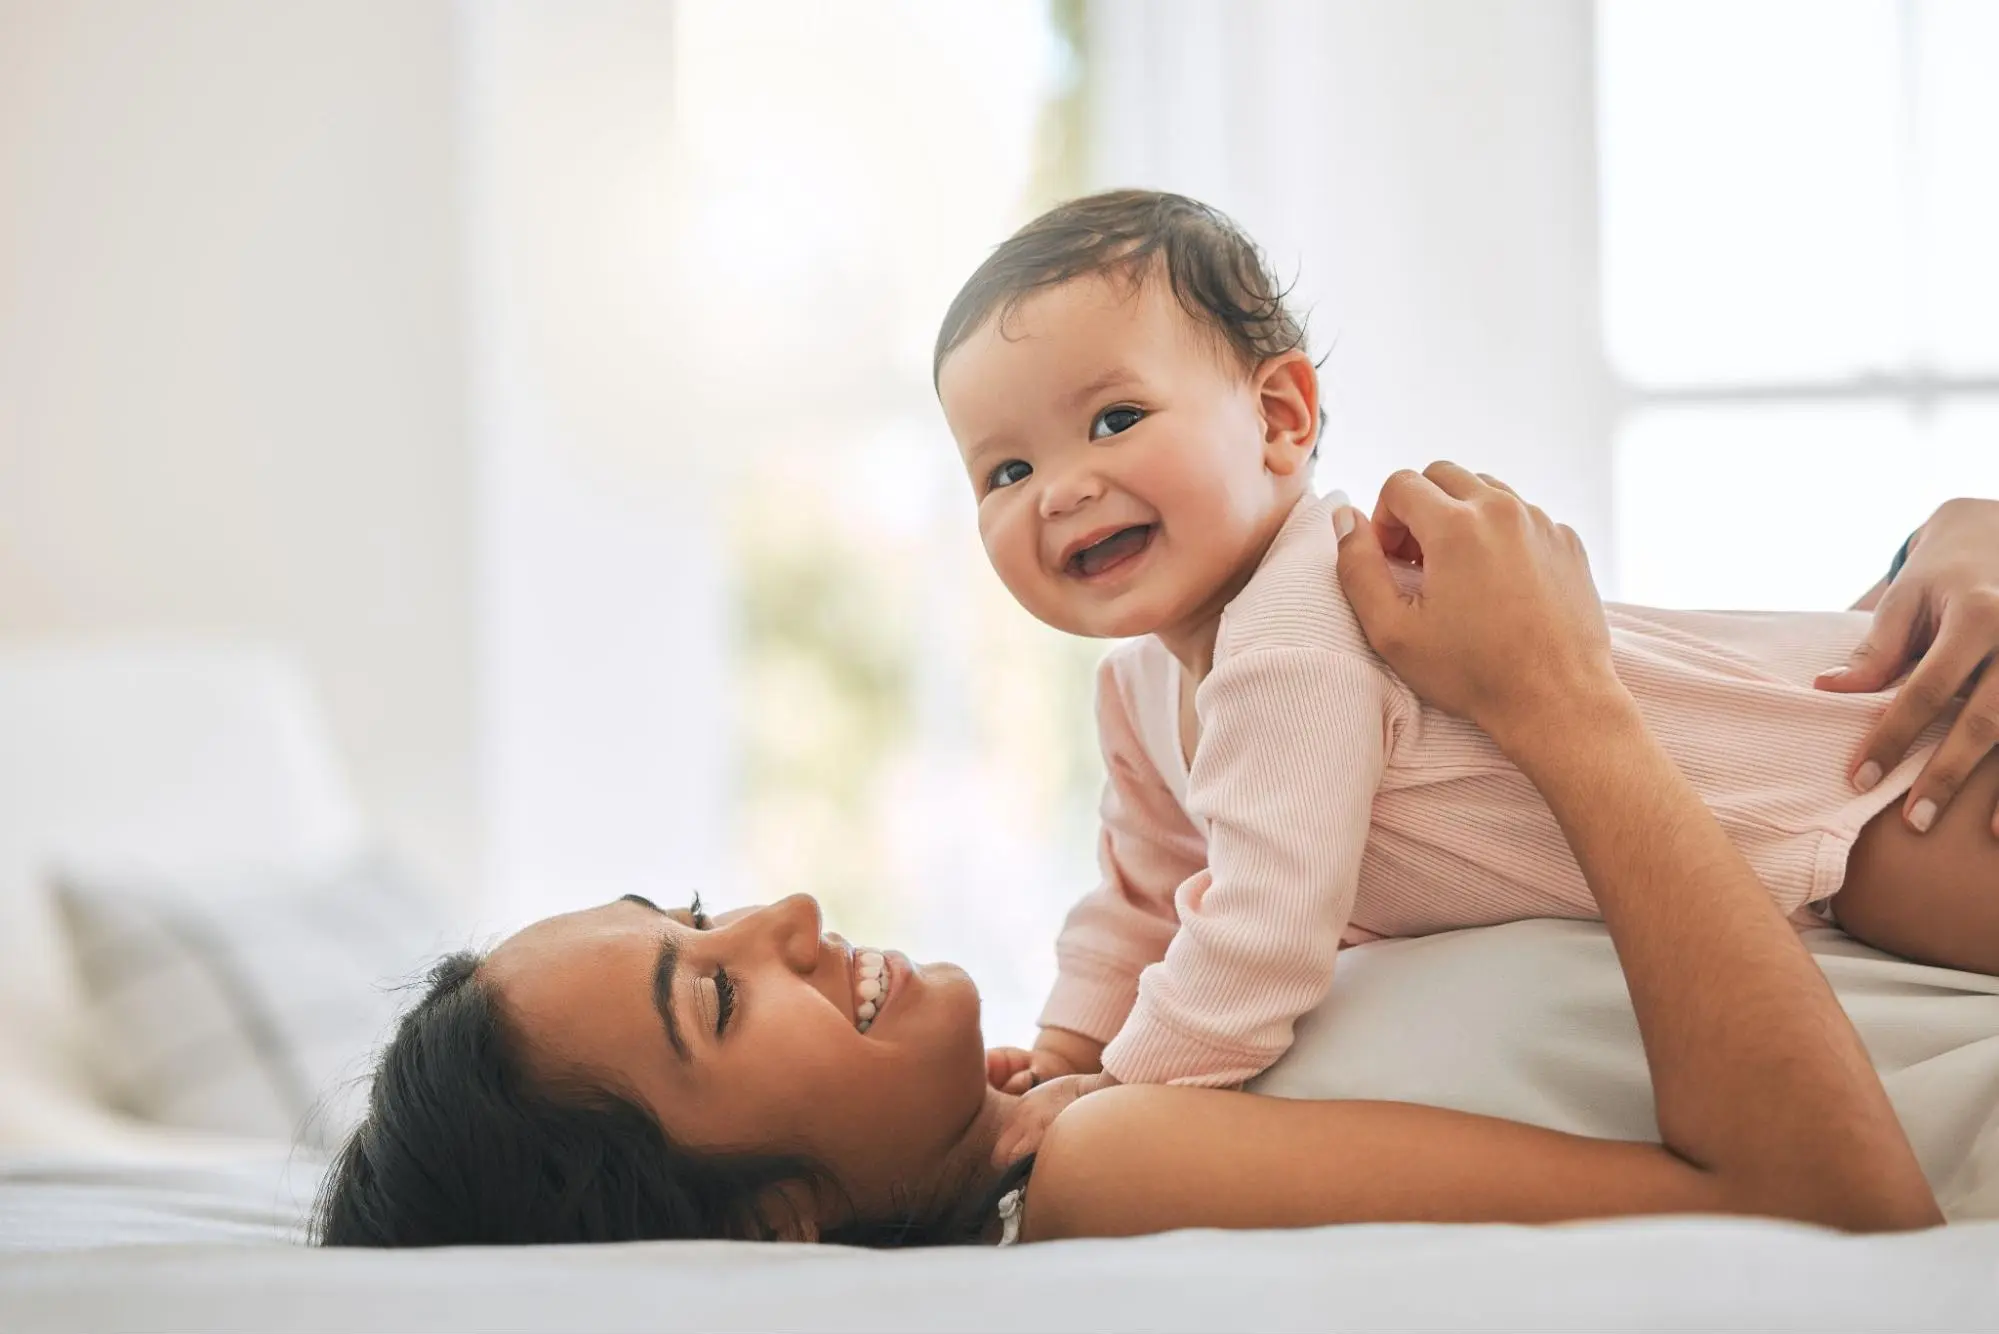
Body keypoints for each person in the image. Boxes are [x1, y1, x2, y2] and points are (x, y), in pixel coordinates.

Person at [314, 465, 1946, 1247]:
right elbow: (1818, 1209)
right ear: (773, 1227)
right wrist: (1553, 701)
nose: (789, 912)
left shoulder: (1116, 1064)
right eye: (717, 1003)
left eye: (700, 917)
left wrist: (1937, 552)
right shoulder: (1104, 1171)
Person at [931, 190, 1999, 1160]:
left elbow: (1260, 932)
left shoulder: (1297, 628)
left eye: (1115, 420)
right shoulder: (1138, 690)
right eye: (1007, 470)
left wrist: (1123, 1089)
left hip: (1856, 782)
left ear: (1278, 419)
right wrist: (1067, 1041)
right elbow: (1144, 894)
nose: (1061, 491)